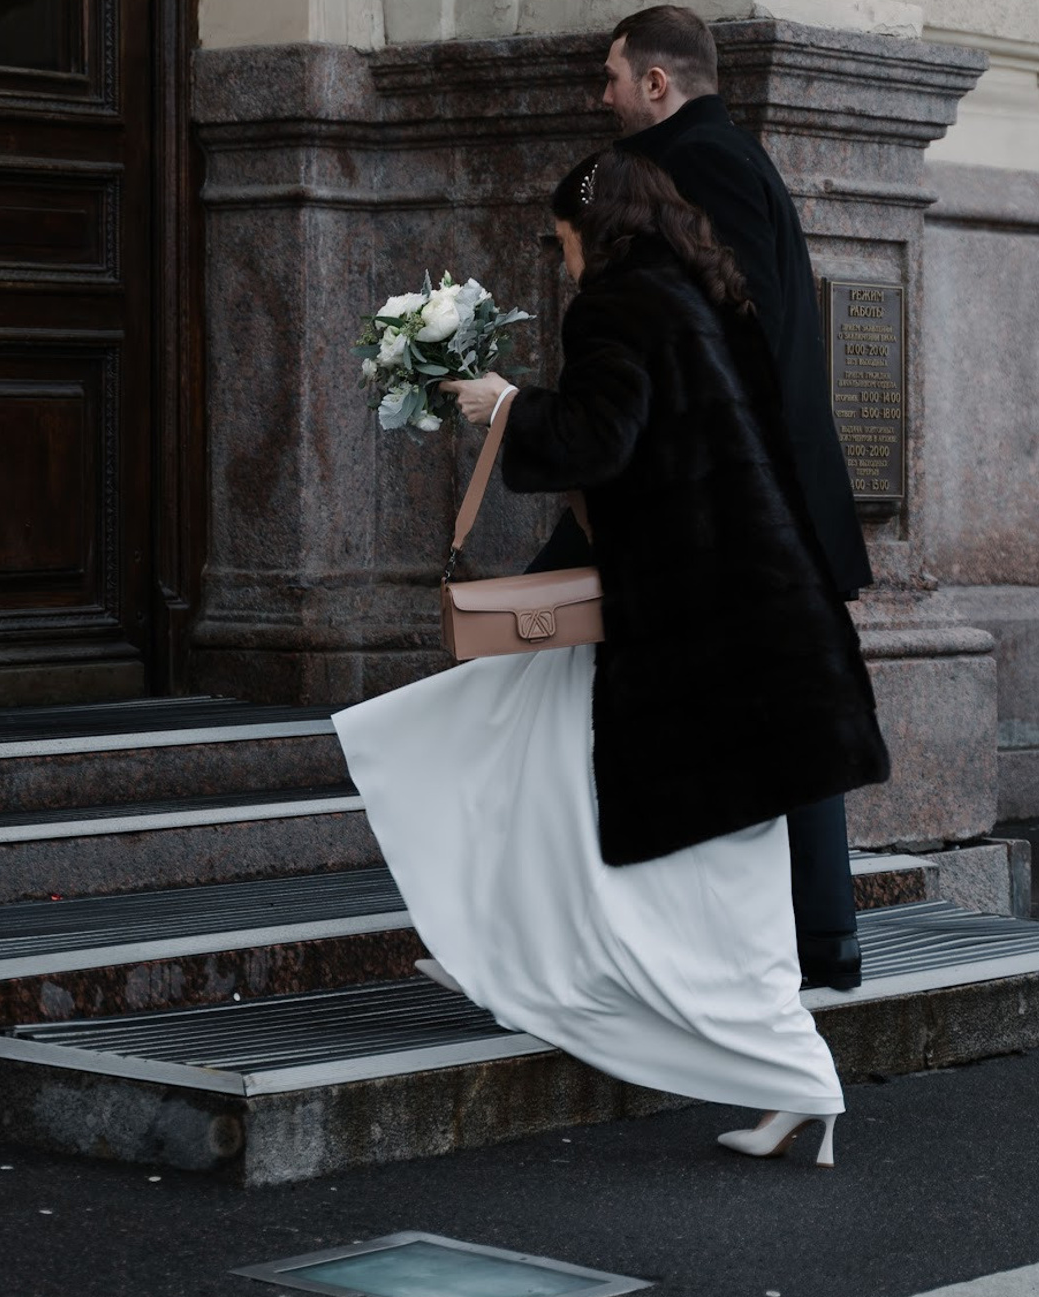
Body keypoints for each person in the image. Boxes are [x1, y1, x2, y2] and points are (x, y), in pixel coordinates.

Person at [333, 148, 890, 1164]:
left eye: (560, 239)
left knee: (703, 867)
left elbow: (601, 439)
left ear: (590, 231)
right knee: (537, 760)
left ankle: (790, 1075)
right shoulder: (699, 292)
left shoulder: (618, 306)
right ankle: (512, 958)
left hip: (700, 636)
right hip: (745, 624)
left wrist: (502, 404)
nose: (560, 260)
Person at [603, 5, 872, 995]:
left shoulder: (699, 160)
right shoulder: (722, 152)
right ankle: (815, 944)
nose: (605, 97)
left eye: (614, 76)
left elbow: (735, 326)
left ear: (659, 83)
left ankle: (793, 952)